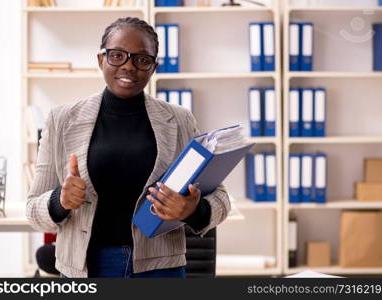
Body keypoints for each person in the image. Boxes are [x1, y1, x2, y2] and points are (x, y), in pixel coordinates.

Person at [26, 17, 230, 278]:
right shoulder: (61, 120)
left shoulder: (179, 120)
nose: (129, 66)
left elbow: (221, 199)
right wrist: (60, 200)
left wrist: (193, 209)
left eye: (142, 59)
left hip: (160, 268)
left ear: (153, 67)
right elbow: (32, 210)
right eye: (117, 56)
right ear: (101, 60)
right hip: (87, 267)